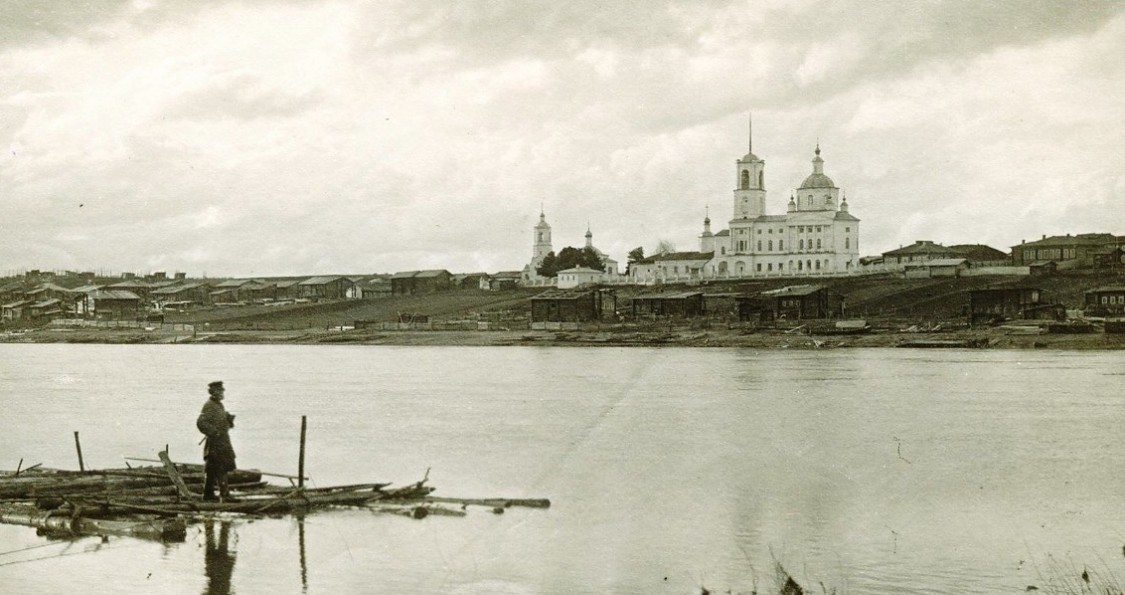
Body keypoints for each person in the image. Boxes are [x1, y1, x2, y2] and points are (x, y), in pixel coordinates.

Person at [196, 380, 237, 502]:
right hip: (216, 443)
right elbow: (201, 422)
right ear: (213, 392)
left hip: (222, 441)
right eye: (220, 391)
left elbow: (219, 422)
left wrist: (228, 420)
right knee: (221, 467)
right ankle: (225, 495)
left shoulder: (218, 405)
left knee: (213, 469)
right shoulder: (209, 405)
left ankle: (208, 494)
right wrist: (214, 432)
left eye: (222, 390)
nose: (222, 392)